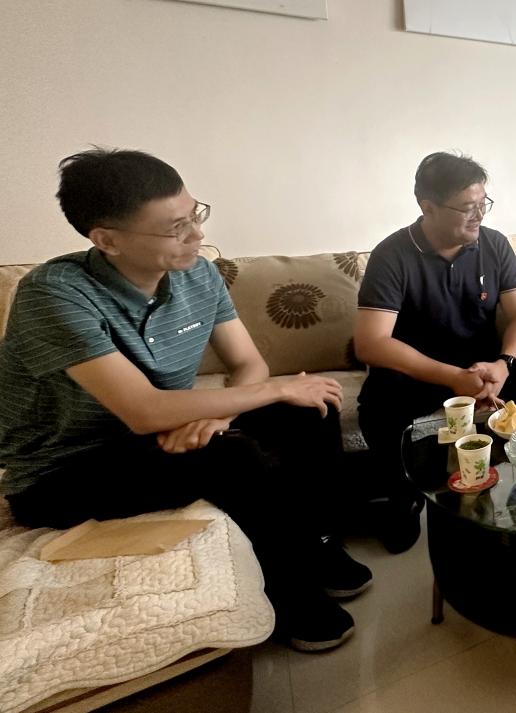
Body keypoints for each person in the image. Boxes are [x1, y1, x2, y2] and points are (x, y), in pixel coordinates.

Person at [0, 148, 370, 653]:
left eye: (196, 214)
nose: (196, 235)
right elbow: (143, 410)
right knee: (234, 458)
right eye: (176, 228)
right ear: (107, 240)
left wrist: (222, 412)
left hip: (158, 432)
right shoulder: (54, 295)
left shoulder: (197, 273)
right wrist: (271, 390)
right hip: (64, 470)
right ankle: (291, 594)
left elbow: (248, 363)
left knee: (311, 406)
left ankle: (321, 543)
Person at [355, 152, 516, 554]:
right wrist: (451, 377)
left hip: (483, 367)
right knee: (379, 403)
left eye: (484, 204)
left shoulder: (494, 244)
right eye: (468, 207)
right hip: (417, 371)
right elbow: (371, 343)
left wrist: (505, 364)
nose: (479, 215)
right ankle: (403, 496)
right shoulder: (392, 255)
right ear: (428, 207)